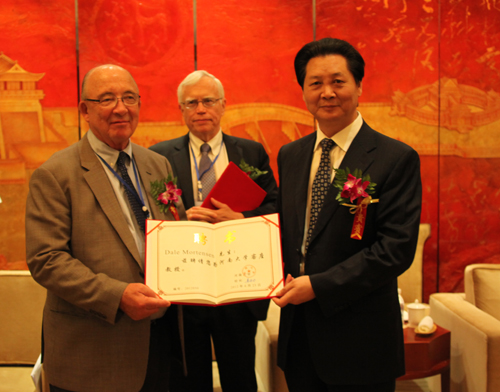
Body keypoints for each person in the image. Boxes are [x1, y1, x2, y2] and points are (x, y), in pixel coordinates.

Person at [273, 38, 422, 392]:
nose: (327, 92)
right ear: (303, 91)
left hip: (361, 342)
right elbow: (290, 229)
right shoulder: (290, 155)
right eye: (315, 83)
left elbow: (394, 250)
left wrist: (319, 286)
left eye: (337, 81)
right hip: (300, 340)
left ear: (358, 87)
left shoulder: (395, 157)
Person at [26, 64, 186, 392]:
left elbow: (173, 232)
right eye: (107, 99)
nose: (120, 108)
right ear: (84, 109)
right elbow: (46, 259)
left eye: (129, 97)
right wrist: (117, 295)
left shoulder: (157, 164)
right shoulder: (55, 174)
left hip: (161, 342)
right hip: (94, 347)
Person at [150, 70, 278, 392]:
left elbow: (275, 208)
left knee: (240, 375)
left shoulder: (251, 152)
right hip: (186, 287)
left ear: (223, 105)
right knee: (188, 378)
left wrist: (239, 217)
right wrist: (180, 218)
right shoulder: (160, 156)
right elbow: (150, 216)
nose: (200, 109)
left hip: (236, 284)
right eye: (191, 103)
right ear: (181, 110)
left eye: (208, 101)